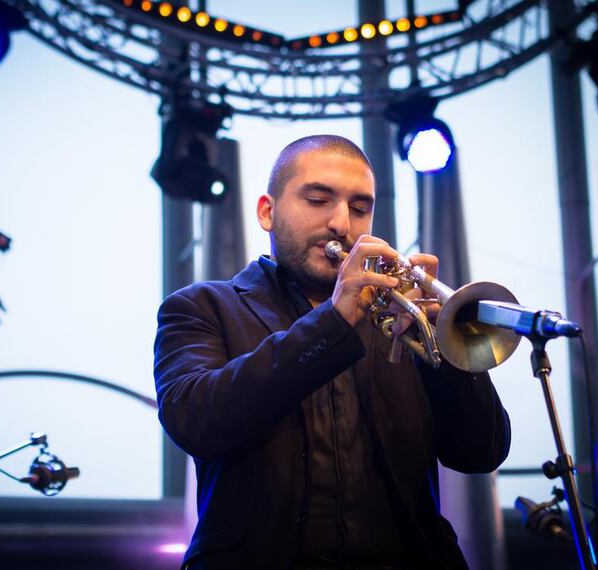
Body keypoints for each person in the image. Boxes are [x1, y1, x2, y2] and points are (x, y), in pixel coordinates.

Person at [153, 135, 510, 570]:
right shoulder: (202, 307)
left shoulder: (399, 315)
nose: (342, 223)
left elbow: (480, 452)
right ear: (268, 212)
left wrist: (445, 349)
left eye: (360, 209)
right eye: (319, 200)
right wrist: (333, 323)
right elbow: (195, 421)